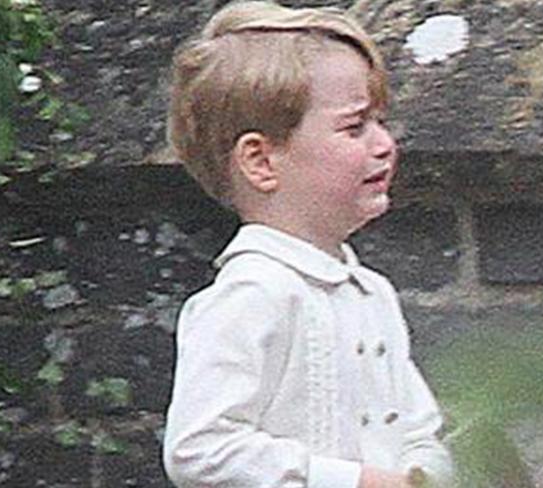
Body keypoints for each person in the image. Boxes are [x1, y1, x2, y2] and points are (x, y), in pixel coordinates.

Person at [162, 2, 453, 488]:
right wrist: (350, 480)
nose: (384, 144)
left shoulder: (373, 293)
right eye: (354, 126)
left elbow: (419, 428)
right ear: (260, 160)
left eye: (380, 122)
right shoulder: (252, 293)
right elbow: (199, 447)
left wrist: (424, 475)